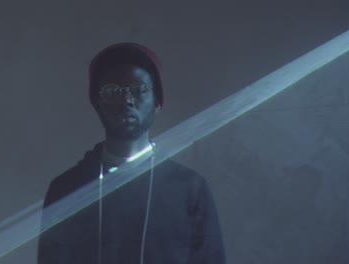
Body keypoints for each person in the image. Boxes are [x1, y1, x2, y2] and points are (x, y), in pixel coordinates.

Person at [37, 42, 225, 264]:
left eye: (138, 90)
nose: (126, 100)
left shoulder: (189, 188)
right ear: (97, 104)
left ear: (157, 101)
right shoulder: (66, 189)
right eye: (112, 91)